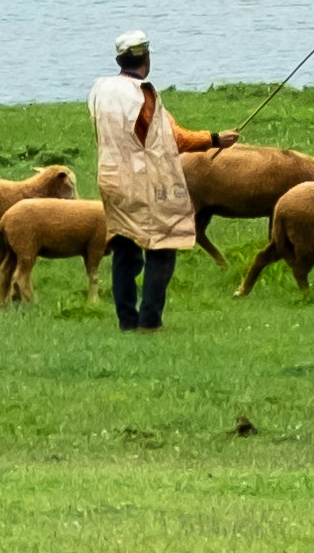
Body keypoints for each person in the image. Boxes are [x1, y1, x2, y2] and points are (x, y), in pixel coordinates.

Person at [90, 32, 235, 333]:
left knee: (125, 249)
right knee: (163, 246)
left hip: (111, 179)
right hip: (144, 182)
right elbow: (175, 138)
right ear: (146, 58)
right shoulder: (142, 94)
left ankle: (127, 321)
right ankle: (150, 320)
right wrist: (214, 139)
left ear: (119, 60)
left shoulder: (101, 89)